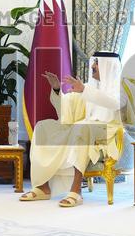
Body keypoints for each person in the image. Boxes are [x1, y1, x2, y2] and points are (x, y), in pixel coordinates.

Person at [20, 51, 126, 208]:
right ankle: (43, 186)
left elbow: (115, 104)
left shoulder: (121, 88)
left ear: (107, 66)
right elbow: (67, 108)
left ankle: (76, 190)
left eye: (96, 63)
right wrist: (57, 89)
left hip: (108, 131)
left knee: (82, 128)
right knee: (44, 127)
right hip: (84, 126)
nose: (93, 66)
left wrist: (84, 90)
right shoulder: (89, 87)